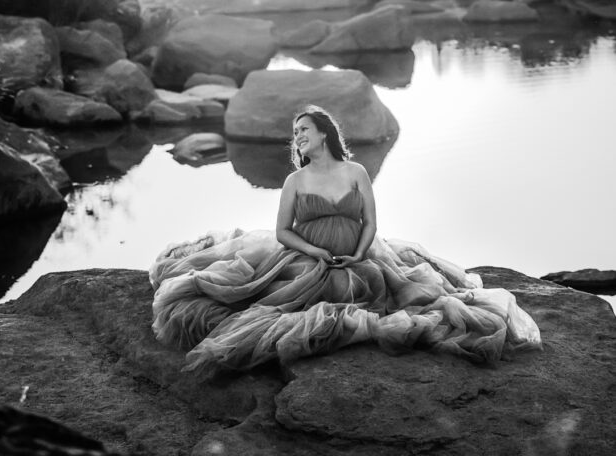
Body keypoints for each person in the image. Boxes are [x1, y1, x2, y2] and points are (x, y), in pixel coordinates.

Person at [150, 105, 541, 378]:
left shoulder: (356, 171)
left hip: (361, 254)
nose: (298, 136)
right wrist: (316, 251)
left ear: (324, 133)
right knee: (277, 300)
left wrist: (357, 253)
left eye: (304, 129)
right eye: (296, 132)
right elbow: (283, 230)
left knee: (409, 296)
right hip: (305, 256)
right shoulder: (295, 181)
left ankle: (355, 269)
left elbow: (370, 221)